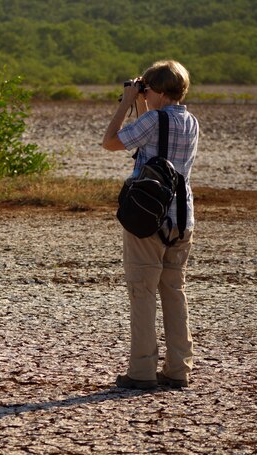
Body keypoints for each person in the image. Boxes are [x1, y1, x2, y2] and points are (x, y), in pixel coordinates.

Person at [102, 60, 199, 390]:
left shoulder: (152, 119)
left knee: (142, 291)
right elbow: (155, 131)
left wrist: (128, 101)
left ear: (156, 91)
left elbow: (111, 141)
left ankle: (141, 372)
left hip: (147, 216)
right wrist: (143, 101)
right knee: (173, 291)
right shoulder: (190, 121)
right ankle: (178, 369)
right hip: (182, 217)